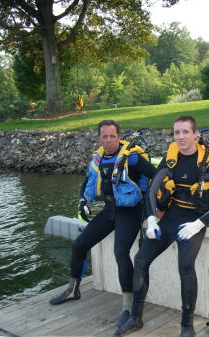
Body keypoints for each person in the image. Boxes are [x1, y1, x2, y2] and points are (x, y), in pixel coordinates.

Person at [114, 116, 209, 337]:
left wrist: (199, 224)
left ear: (195, 135)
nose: (181, 137)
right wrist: (150, 220)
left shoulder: (207, 162)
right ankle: (135, 317)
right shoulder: (171, 158)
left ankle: (187, 326)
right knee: (140, 259)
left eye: (186, 132)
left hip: (193, 220)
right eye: (177, 132)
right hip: (171, 217)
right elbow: (151, 190)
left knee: (185, 265)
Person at [49, 120, 156, 328]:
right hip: (110, 210)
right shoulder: (98, 158)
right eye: (104, 136)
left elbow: (156, 173)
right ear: (99, 138)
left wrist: (154, 209)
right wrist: (82, 202)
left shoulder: (131, 156)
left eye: (112, 136)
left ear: (119, 136)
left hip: (132, 211)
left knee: (120, 252)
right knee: (79, 245)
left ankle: (127, 306)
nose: (108, 140)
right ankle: (73, 289)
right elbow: (87, 181)